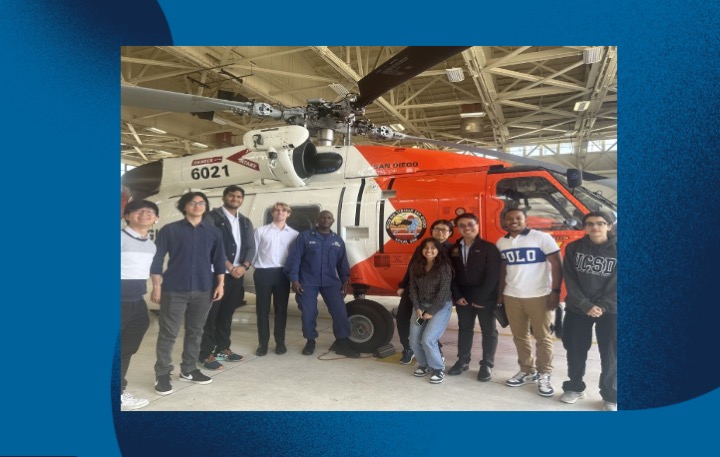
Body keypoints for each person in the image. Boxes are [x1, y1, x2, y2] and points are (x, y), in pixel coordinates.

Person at [150, 191, 226, 395]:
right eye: (193, 202)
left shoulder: (213, 233)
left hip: (204, 289)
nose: (198, 205)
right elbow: (157, 260)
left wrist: (220, 285)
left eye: (202, 203)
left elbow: (219, 261)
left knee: (196, 331)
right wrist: (157, 286)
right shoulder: (169, 230)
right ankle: (163, 374)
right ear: (184, 206)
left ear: (206, 207)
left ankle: (189, 369)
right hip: (174, 289)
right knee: (168, 333)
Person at [496, 207, 563, 397]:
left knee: (543, 337)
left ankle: (544, 374)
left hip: (539, 295)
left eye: (518, 218)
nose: (514, 221)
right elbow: (502, 270)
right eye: (509, 218)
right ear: (505, 221)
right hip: (512, 296)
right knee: (520, 336)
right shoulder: (502, 242)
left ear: (526, 220)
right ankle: (527, 370)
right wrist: (500, 294)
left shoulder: (541, 238)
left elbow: (557, 264)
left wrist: (555, 292)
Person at [559, 211, 617, 411]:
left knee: (610, 354)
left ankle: (611, 395)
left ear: (609, 226)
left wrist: (602, 306)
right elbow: (570, 279)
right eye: (590, 223)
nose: (595, 227)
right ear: (584, 226)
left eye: (600, 223)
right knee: (575, 349)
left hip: (611, 310)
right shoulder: (574, 248)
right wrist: (585, 305)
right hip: (578, 308)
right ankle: (574, 387)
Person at [285, 210, 359, 358]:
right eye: (323, 217)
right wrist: (294, 280)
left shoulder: (337, 240)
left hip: (330, 281)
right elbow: (295, 259)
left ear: (332, 221)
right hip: (307, 281)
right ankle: (310, 341)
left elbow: (342, 263)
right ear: (318, 220)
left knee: (340, 311)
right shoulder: (305, 237)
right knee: (309, 312)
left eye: (329, 218)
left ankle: (342, 342)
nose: (326, 220)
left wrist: (345, 281)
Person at [198, 185, 256, 370]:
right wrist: (230, 266)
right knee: (210, 315)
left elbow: (251, 247)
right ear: (224, 197)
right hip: (217, 274)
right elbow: (210, 245)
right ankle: (205, 353)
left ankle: (222, 348)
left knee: (227, 313)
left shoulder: (245, 222)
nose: (235, 199)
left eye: (239, 196)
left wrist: (244, 266)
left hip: (237, 275)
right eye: (232, 195)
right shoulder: (212, 218)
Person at [447, 213, 501, 382]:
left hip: (485, 297)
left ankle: (487, 364)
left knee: (489, 330)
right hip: (463, 297)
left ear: (477, 225)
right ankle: (463, 361)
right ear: (458, 229)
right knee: (464, 329)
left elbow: (493, 276)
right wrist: (457, 295)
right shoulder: (453, 249)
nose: (467, 228)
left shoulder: (489, 248)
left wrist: (482, 298)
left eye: (470, 224)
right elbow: (451, 275)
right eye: (462, 226)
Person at [120, 199, 159, 410]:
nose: (144, 214)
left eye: (150, 211)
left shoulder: (150, 245)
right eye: (138, 211)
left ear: (156, 219)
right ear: (127, 216)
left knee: (126, 348)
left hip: (136, 302)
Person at [396, 219, 453, 364]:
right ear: (431, 231)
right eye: (437, 229)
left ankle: (435, 352)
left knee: (431, 327)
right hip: (415, 290)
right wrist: (403, 285)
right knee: (403, 317)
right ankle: (408, 349)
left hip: (439, 293)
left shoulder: (452, 250)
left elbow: (452, 276)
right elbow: (412, 268)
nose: (440, 232)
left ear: (450, 233)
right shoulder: (422, 247)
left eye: (444, 230)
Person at [252, 202, 298, 356]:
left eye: (284, 210)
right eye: (277, 210)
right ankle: (262, 344)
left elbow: (294, 258)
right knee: (262, 310)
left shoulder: (294, 234)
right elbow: (253, 252)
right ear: (272, 213)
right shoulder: (260, 231)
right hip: (263, 273)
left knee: (281, 311)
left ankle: (280, 343)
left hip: (282, 275)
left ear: (288, 214)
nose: (280, 213)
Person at [408, 238, 454, 384]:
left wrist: (432, 311)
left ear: (438, 250)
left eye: (433, 248)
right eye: (426, 248)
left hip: (440, 306)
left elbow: (444, 292)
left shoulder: (444, 267)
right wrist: (417, 307)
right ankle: (424, 365)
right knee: (414, 340)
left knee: (428, 339)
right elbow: (412, 288)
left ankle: (438, 368)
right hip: (421, 305)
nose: (429, 250)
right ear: (421, 250)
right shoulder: (416, 266)